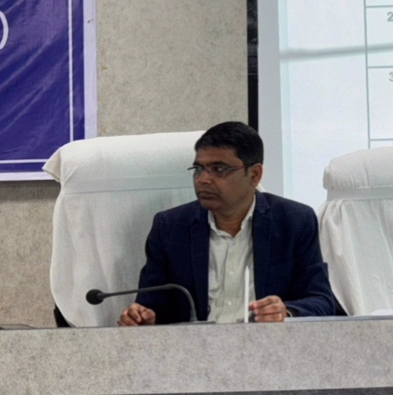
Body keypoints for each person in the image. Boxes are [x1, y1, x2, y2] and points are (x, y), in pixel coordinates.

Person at [120, 121, 336, 325]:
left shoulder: (294, 221)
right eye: (199, 169)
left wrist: (286, 312)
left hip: (267, 344)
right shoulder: (170, 227)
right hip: (195, 346)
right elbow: (151, 305)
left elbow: (322, 301)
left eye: (219, 169)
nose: (203, 179)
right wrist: (143, 317)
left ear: (254, 175)